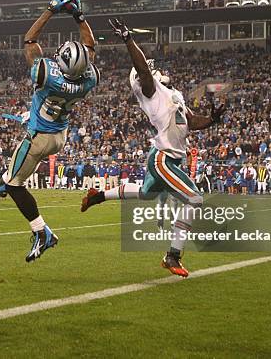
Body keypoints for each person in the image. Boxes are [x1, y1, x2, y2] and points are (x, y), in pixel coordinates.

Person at [80, 18, 224, 277]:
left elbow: (191, 121)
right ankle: (173, 255)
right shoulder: (151, 91)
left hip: (169, 158)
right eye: (148, 69)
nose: (154, 69)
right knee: (194, 198)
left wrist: (212, 119)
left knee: (146, 194)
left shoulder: (173, 95)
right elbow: (143, 71)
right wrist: (128, 39)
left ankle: (98, 196)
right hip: (164, 159)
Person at [0, 0, 99, 262]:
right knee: (10, 179)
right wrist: (79, 17)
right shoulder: (88, 80)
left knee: (15, 185)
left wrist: (51, 10)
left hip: (39, 137)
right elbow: (90, 47)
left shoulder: (46, 74)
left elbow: (29, 41)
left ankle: (42, 232)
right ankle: (4, 183)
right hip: (60, 135)